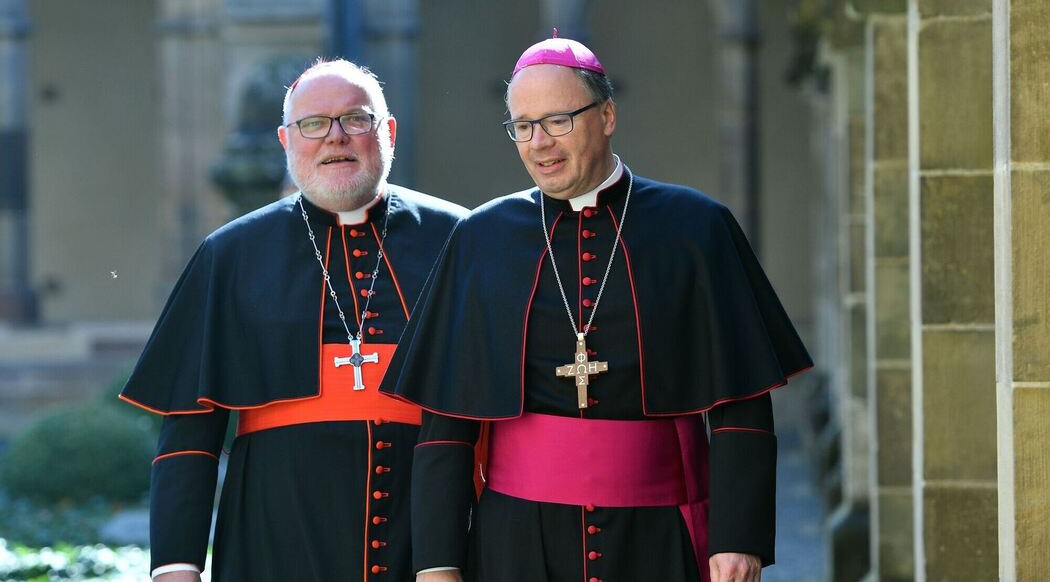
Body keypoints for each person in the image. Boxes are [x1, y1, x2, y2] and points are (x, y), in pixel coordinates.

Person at [380, 34, 812, 582]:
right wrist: (438, 563)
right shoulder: (481, 239)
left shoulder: (695, 229)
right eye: (523, 126)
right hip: (516, 543)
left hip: (660, 536)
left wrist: (737, 539)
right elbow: (447, 422)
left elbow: (741, 402)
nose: (540, 143)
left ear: (607, 116)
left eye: (558, 121)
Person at [120, 59, 467, 581]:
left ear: (389, 132)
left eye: (356, 119)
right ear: (286, 141)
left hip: (427, 542)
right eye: (313, 124)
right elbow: (189, 433)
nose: (335, 137)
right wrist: (175, 568)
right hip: (273, 538)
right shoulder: (230, 254)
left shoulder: (458, 239)